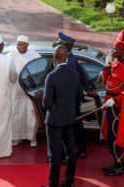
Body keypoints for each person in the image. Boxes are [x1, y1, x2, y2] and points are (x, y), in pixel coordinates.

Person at [41, 45, 82, 187]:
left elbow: (46, 103)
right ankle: (70, 181)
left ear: (55, 57)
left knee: (55, 154)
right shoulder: (75, 75)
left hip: (54, 121)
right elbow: (78, 98)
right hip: (70, 119)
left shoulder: (51, 76)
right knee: (72, 152)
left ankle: (53, 184)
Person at [57, 32, 97, 161]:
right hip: (74, 98)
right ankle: (81, 150)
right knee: (77, 124)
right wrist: (87, 87)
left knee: (70, 125)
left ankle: (68, 153)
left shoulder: (68, 61)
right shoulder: (72, 57)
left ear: (64, 46)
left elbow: (65, 81)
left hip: (68, 99)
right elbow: (82, 73)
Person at [7, 35, 41, 147]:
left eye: (21, 44)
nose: (18, 47)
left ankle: (32, 138)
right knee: (16, 114)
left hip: (29, 92)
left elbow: (40, 70)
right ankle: (17, 137)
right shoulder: (12, 54)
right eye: (17, 44)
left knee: (30, 115)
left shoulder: (34, 55)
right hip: (15, 91)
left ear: (27, 45)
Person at [101, 29, 124, 176]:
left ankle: (120, 164)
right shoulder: (116, 63)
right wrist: (107, 68)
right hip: (110, 102)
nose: (113, 50)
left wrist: (115, 100)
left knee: (116, 135)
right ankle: (115, 161)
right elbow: (106, 82)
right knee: (110, 135)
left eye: (115, 48)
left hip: (117, 107)